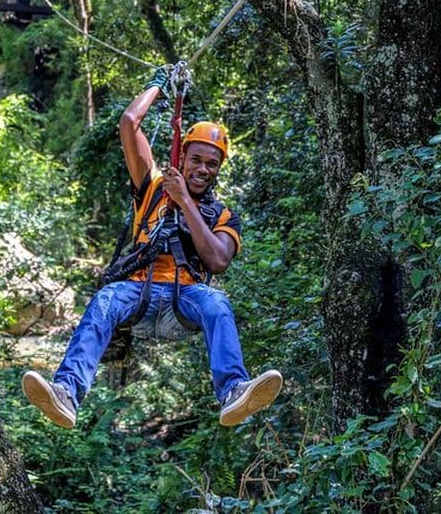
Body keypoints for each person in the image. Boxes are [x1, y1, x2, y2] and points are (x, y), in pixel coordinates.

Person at [22, 66, 283, 429]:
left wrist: (185, 203)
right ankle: (67, 392)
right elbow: (130, 122)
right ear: (182, 158)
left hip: (185, 301)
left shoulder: (223, 215)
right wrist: (158, 86)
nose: (203, 169)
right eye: (196, 160)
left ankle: (233, 390)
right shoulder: (153, 186)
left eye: (212, 164)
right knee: (105, 300)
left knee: (218, 303)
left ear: (219, 169)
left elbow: (218, 260)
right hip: (139, 294)